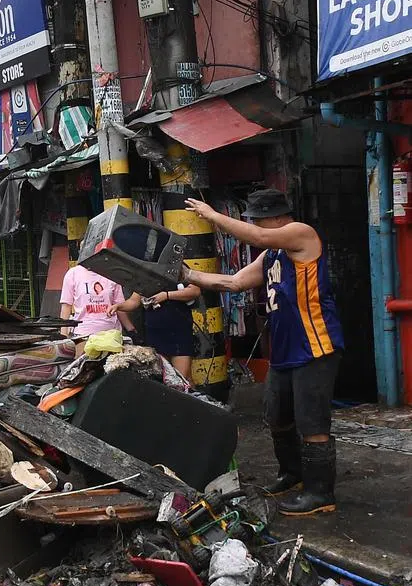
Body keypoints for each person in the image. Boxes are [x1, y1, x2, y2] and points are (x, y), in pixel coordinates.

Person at [184, 189, 343, 516]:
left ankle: (320, 492)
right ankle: (292, 474)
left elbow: (256, 236)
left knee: (312, 422)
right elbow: (234, 283)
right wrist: (187, 276)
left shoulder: (301, 233)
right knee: (277, 416)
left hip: (315, 345)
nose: (255, 225)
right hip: (285, 351)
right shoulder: (271, 256)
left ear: (277, 217)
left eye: (259, 218)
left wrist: (213, 215)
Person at [109, 282, 202, 378]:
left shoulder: (176, 269)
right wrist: (118, 306)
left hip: (179, 332)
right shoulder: (144, 276)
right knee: (161, 378)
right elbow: (134, 301)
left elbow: (195, 291)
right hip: (155, 334)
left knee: (183, 378)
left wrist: (167, 295)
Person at [59, 264, 132, 339]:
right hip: (82, 334)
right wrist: (63, 335)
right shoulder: (73, 273)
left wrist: (131, 329)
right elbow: (66, 306)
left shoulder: (112, 273)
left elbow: (119, 306)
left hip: (111, 334)